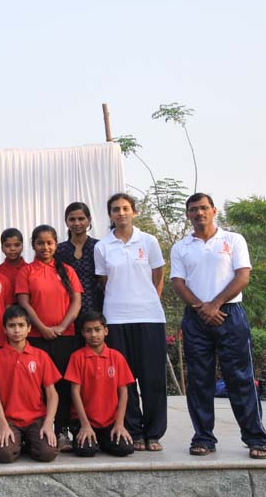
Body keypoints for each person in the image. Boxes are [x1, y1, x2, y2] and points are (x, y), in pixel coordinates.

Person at [171, 192, 266, 459]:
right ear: (188, 214)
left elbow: (242, 276)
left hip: (230, 314)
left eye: (204, 208)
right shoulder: (181, 247)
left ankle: (255, 438)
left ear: (214, 210)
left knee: (240, 379)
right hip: (196, 317)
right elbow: (178, 283)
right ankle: (203, 438)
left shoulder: (233, 239)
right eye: (193, 209)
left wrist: (215, 304)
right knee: (199, 380)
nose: (199, 213)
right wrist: (203, 308)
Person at [94, 193, 166, 452]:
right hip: (116, 318)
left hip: (149, 317)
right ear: (110, 215)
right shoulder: (102, 246)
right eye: (115, 209)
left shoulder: (148, 241)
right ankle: (134, 430)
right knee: (125, 379)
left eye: (125, 208)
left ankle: (154, 433)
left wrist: (149, 299)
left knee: (153, 378)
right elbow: (103, 281)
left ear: (134, 211)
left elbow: (158, 274)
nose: (120, 213)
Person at [16, 224, 82, 451]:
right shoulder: (26, 271)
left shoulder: (67, 270)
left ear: (56, 244)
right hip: (35, 337)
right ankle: (35, 431)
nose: (45, 247)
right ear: (33, 245)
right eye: (40, 243)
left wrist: (63, 326)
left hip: (65, 337)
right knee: (36, 387)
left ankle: (61, 430)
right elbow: (24, 303)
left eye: (50, 242)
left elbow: (76, 301)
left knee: (62, 385)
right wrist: (42, 327)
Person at [0, 305, 60, 464]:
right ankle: (18, 442)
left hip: (36, 418)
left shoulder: (41, 356)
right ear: (4, 329)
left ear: (29, 328)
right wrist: (3, 425)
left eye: (21, 325)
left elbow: (52, 394)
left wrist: (48, 424)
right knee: (4, 455)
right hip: (9, 420)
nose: (16, 330)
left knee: (48, 453)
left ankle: (29, 443)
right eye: (12, 326)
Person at [65, 311, 134, 457]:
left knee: (125, 449)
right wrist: (84, 424)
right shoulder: (77, 357)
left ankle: (102, 440)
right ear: (83, 333)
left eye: (97, 329)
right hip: (84, 420)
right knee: (86, 451)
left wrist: (120, 424)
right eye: (88, 330)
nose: (94, 335)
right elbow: (74, 392)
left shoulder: (117, 357)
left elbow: (124, 392)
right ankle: (91, 439)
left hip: (110, 420)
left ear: (106, 331)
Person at [56, 202, 104, 314]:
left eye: (81, 218)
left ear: (89, 220)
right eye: (72, 219)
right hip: (67, 307)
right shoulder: (59, 250)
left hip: (96, 306)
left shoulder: (99, 247)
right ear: (66, 222)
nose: (77, 223)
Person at [0, 228, 28, 305]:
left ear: (22, 246)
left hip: (29, 314)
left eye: (17, 245)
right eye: (8, 245)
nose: (12, 249)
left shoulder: (30, 270)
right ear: (2, 248)